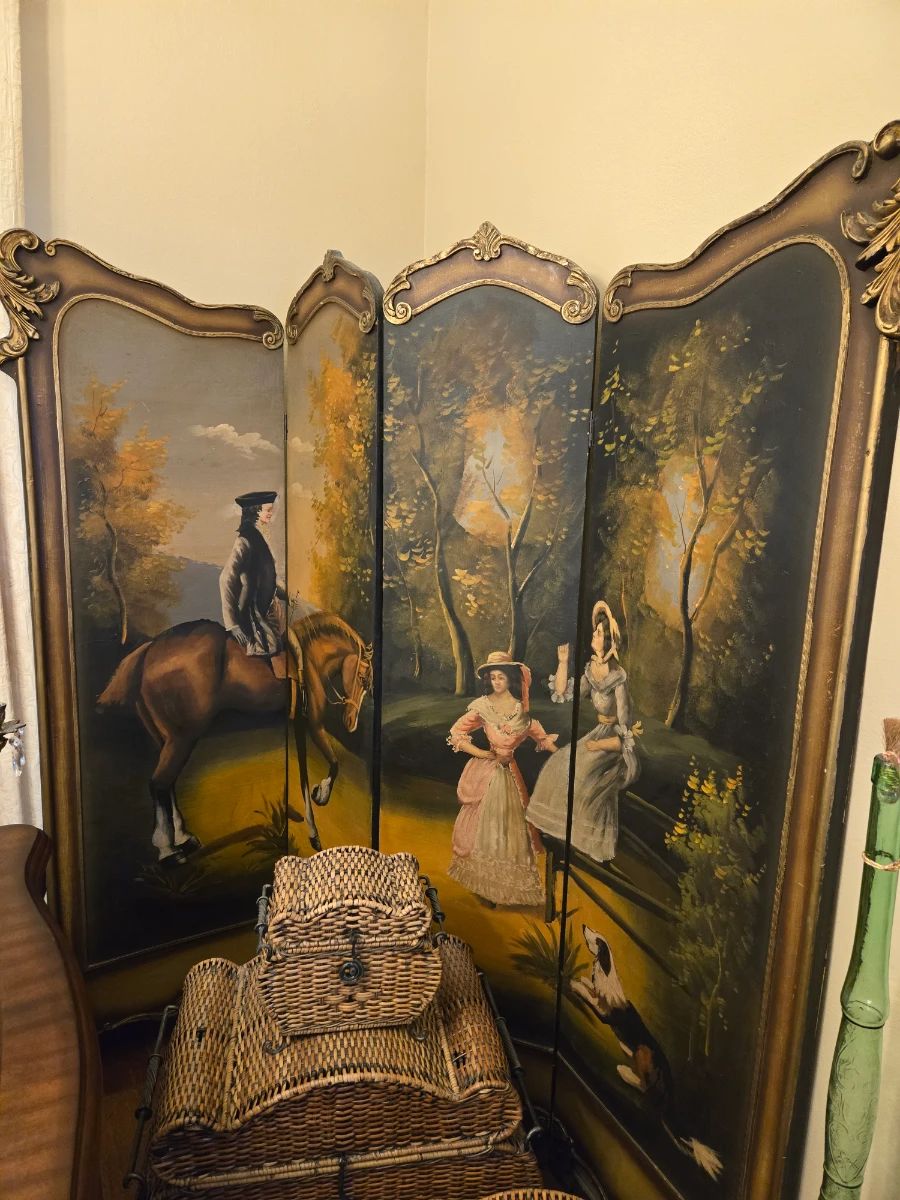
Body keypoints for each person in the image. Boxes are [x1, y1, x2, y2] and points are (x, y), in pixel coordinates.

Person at [526, 601, 640, 864]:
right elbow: (565, 693)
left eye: (599, 633)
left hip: (612, 745)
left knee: (581, 772)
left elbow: (625, 733)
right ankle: (561, 837)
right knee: (560, 762)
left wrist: (600, 746)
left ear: (609, 642)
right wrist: (563, 662)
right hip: (597, 735)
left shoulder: (618, 677)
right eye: (596, 631)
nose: (594, 635)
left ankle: (583, 840)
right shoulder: (591, 670)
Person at [446, 650, 558, 907]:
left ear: (510, 679)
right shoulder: (483, 707)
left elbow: (542, 737)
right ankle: (486, 888)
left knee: (510, 829)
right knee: (488, 827)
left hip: (510, 778)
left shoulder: (522, 712)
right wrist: (482, 753)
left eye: (501, 677)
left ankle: (505, 889)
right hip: (489, 775)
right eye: (493, 677)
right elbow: (457, 733)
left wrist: (564, 756)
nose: (496, 682)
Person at [219, 491, 286, 662]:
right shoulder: (244, 541)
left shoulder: (261, 535)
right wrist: (232, 624)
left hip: (266, 606)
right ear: (255, 511)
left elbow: (266, 574)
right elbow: (226, 579)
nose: (271, 514)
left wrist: (284, 593)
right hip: (252, 610)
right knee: (268, 648)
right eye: (267, 510)